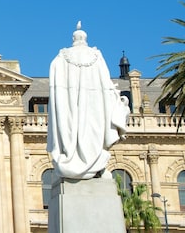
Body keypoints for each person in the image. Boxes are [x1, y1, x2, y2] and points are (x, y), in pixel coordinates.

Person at [47, 22, 129, 179]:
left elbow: (55, 84)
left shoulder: (61, 57)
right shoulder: (96, 56)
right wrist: (115, 98)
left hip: (70, 104)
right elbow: (106, 84)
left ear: (73, 39)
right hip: (94, 103)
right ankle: (94, 164)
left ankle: (75, 160)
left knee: (71, 129)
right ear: (85, 38)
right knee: (94, 130)